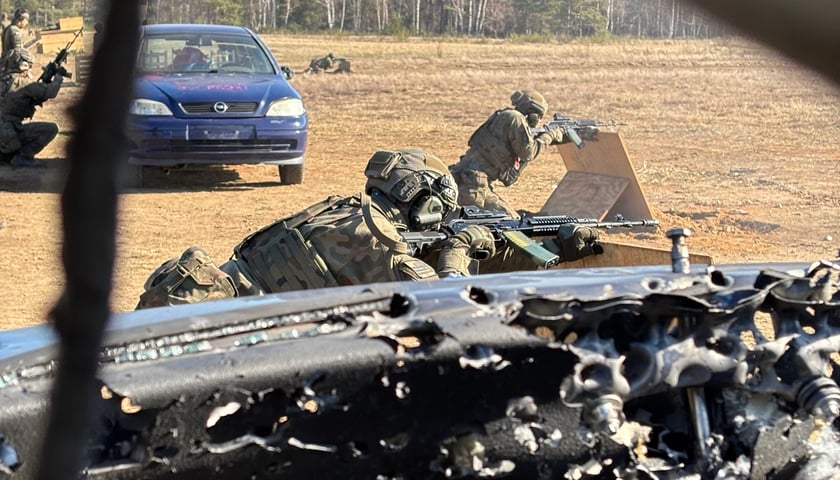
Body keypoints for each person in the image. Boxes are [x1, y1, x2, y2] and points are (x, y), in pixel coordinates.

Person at [136, 148, 602, 309]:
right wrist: (458, 250)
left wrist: (549, 243)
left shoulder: (343, 210)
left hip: (224, 294)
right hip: (243, 330)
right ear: (420, 203)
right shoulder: (383, 246)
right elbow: (447, 305)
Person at [449, 89, 573, 217]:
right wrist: (551, 135)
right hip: (474, 187)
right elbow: (528, 153)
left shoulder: (505, 116)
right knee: (512, 222)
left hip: (465, 180)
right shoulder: (516, 118)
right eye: (538, 116)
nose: (537, 121)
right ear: (531, 113)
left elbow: (511, 167)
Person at [0, 74, 63, 168]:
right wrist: (58, 78)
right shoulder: (23, 83)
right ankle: (22, 156)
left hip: (5, 131)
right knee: (51, 129)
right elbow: (51, 92)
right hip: (9, 132)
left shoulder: (3, 81)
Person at [0, 8, 33, 97]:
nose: (27, 23)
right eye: (27, 20)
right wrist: (26, 67)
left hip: (5, 65)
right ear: (22, 19)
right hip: (11, 68)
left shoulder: (8, 28)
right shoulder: (15, 31)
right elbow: (18, 52)